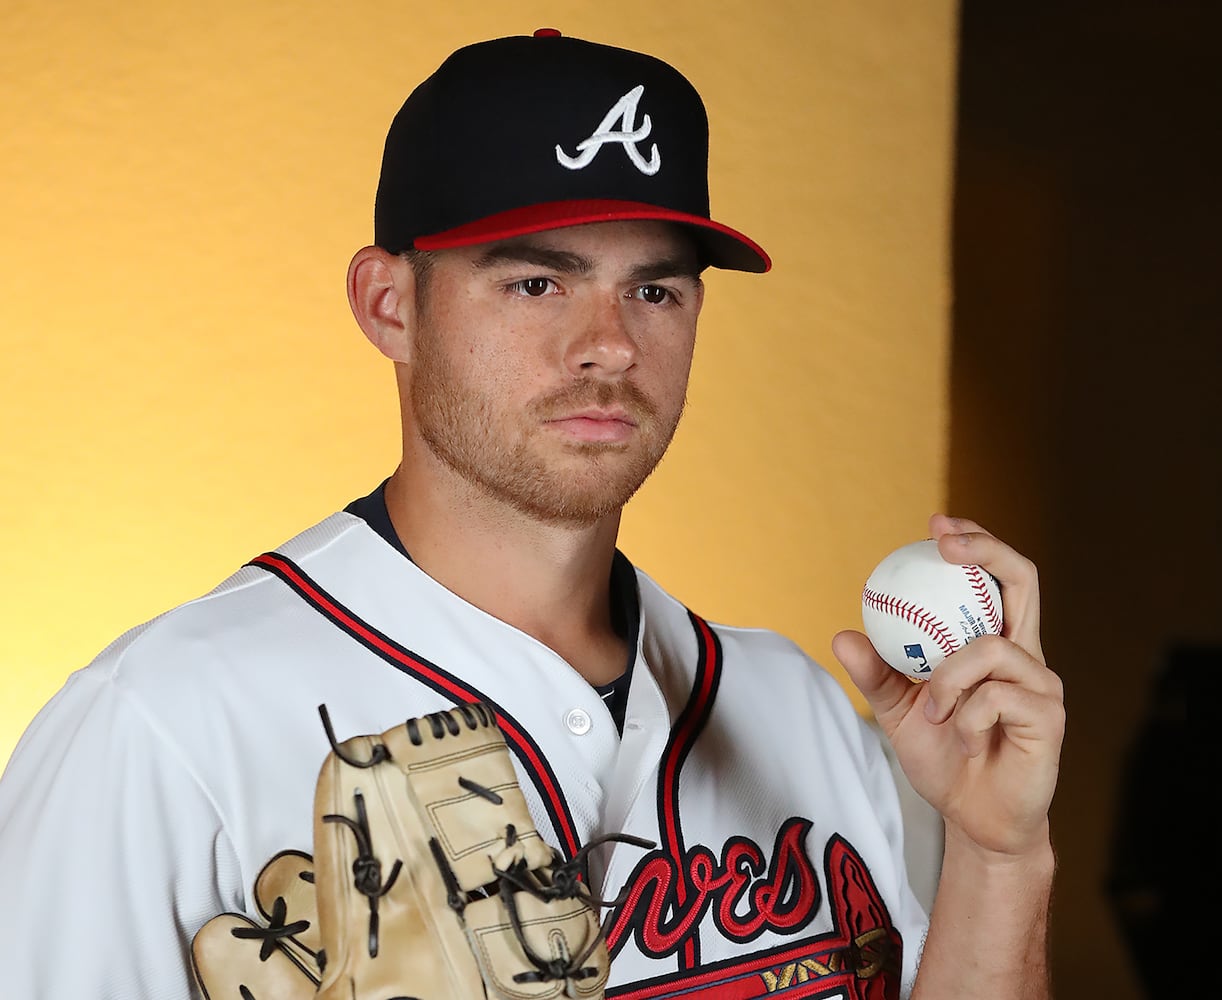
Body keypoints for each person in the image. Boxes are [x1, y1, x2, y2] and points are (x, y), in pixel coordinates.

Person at [0, 29, 1063, 1000]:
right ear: (389, 305)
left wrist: (998, 857)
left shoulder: (801, 712)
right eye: (534, 284)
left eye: (654, 291)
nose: (607, 344)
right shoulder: (162, 729)